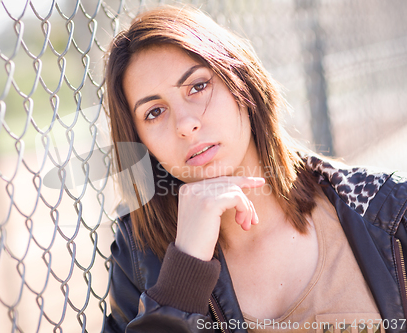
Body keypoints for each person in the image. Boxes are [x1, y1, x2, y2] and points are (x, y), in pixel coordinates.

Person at [102, 5, 407, 333]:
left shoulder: (385, 210)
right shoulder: (141, 259)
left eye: (198, 86)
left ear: (241, 83)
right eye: (155, 112)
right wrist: (184, 273)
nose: (186, 124)